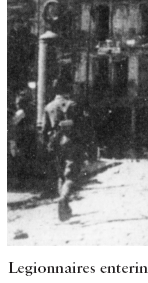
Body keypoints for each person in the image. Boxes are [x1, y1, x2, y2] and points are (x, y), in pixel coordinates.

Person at [41, 77, 84, 222]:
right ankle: (64, 199)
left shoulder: (48, 107)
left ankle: (64, 209)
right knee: (71, 175)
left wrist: (47, 144)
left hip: (56, 143)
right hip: (71, 142)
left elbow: (44, 130)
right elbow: (83, 127)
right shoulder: (73, 105)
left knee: (61, 176)